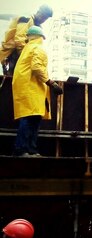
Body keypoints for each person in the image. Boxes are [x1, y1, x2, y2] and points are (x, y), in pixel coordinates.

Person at [12, 25, 63, 157]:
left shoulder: (27, 49)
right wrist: (51, 83)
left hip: (26, 88)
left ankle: (30, 150)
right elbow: (37, 68)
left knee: (31, 118)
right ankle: (22, 150)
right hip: (32, 89)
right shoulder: (38, 48)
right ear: (41, 37)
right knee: (30, 119)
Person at [0, 4, 53, 74]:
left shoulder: (37, 26)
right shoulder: (26, 18)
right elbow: (19, 38)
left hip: (23, 52)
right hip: (15, 50)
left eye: (45, 18)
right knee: (16, 74)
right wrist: (25, 56)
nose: (43, 20)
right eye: (42, 16)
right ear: (38, 12)